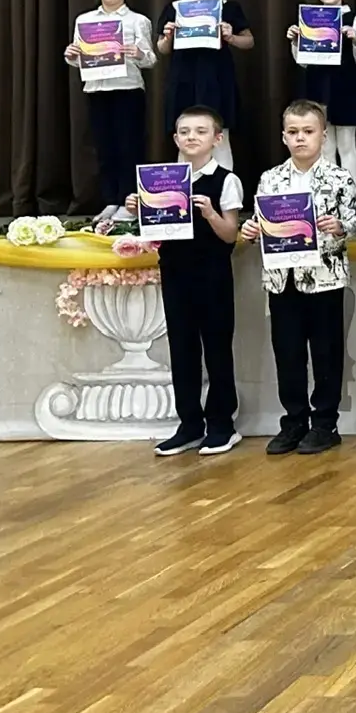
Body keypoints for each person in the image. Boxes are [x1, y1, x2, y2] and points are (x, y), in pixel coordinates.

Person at [244, 99, 356, 455]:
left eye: (308, 131)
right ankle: (294, 421)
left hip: (325, 278)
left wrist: (341, 227)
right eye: (293, 132)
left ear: (323, 136)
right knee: (288, 353)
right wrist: (252, 230)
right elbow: (263, 224)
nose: (301, 138)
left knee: (326, 354)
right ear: (283, 137)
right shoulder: (270, 179)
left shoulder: (340, 178)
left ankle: (325, 424)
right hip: (282, 280)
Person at [125, 106, 243, 456]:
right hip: (175, 273)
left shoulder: (226, 180)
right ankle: (189, 424)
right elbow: (156, 231)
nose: (192, 137)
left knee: (217, 348)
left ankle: (222, 425)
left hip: (213, 274)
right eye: (185, 131)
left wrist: (210, 214)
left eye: (201, 131)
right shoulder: (160, 181)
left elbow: (230, 235)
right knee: (182, 349)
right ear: (175, 138)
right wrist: (139, 209)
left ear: (217, 139)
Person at [66, 0, 156, 226]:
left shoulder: (138, 21)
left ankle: (129, 201)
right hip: (97, 89)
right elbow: (79, 59)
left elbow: (151, 59)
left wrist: (138, 53)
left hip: (128, 89)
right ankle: (110, 201)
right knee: (104, 148)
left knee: (129, 148)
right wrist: (71, 55)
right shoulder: (84, 21)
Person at [155, 0, 254, 171]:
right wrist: (168, 36)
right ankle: (187, 189)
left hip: (217, 80)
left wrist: (231, 37)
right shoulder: (173, 8)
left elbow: (249, 41)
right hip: (183, 80)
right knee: (186, 136)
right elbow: (162, 48)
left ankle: (224, 190)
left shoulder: (228, 7)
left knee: (219, 136)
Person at [285, 0, 356, 178]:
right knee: (325, 144)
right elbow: (302, 62)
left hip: (346, 85)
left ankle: (348, 193)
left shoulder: (354, 19)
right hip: (318, 84)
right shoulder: (309, 18)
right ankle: (329, 191)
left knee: (347, 143)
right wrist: (295, 42)